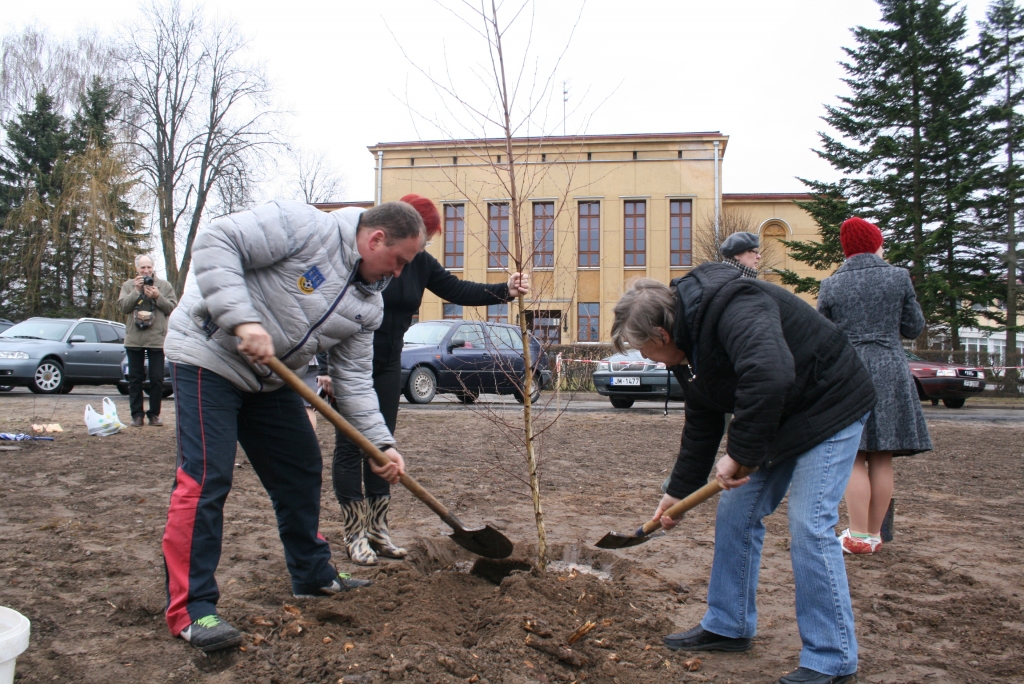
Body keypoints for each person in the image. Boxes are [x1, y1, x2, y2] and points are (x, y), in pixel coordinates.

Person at [161, 200, 422, 653]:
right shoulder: (305, 227)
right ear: (375, 239)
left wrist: (381, 443)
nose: (398, 274)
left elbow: (355, 381)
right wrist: (242, 319)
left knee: (301, 470)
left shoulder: (369, 305)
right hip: (209, 356)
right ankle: (191, 609)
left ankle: (312, 574)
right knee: (206, 478)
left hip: (273, 376)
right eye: (398, 261)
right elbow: (216, 241)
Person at [611, 268, 876, 684]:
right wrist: (677, 493)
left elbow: (769, 374)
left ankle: (833, 658)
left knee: (809, 524)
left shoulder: (735, 306)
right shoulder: (688, 345)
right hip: (778, 413)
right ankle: (728, 625)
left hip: (829, 403)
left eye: (643, 349)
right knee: (735, 511)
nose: (644, 358)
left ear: (662, 335)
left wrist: (739, 454)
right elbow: (702, 420)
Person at [331, 193, 529, 566]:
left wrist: (505, 290)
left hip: (389, 365)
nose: (423, 247)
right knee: (350, 448)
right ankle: (354, 534)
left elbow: (457, 290)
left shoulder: (419, 263)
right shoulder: (367, 259)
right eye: (424, 237)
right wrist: (325, 369)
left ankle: (378, 531)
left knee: (381, 447)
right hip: (350, 363)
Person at [818, 217, 931, 555]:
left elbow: (824, 337)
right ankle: (874, 536)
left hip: (849, 371)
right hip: (891, 369)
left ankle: (858, 536)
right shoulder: (897, 277)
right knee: (882, 456)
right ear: (875, 244)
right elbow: (913, 327)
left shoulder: (831, 285)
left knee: (854, 454)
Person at [117, 254, 178, 427]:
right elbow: (123, 307)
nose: (146, 271)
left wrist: (158, 296)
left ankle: (154, 415)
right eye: (142, 267)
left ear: (153, 268)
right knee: (135, 378)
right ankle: (137, 415)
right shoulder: (128, 285)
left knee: (157, 379)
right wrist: (136, 292)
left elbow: (173, 309)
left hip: (157, 339)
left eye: (148, 267)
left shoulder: (164, 286)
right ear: (137, 269)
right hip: (134, 339)